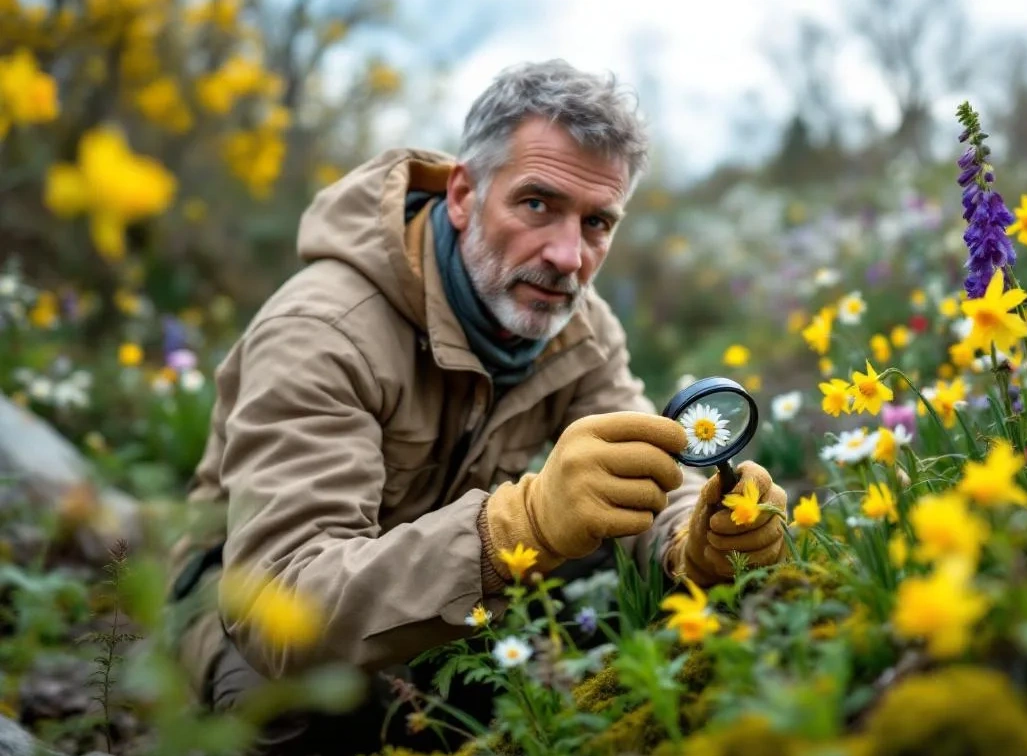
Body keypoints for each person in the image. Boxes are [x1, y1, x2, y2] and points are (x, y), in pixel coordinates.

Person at [165, 59, 789, 754]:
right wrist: (522, 525)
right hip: (244, 596)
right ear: (463, 194)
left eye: (597, 222)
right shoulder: (322, 332)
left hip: (442, 579)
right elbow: (282, 602)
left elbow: (649, 466)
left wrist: (694, 540)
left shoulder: (579, 328)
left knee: (645, 594)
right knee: (300, 710)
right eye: (537, 204)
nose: (568, 256)